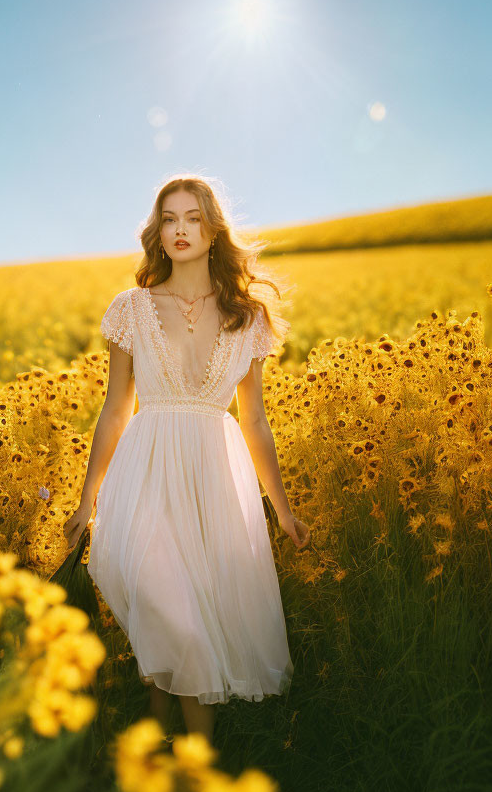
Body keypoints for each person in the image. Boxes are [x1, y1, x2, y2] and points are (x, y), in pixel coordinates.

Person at [63, 174, 309, 747]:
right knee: (173, 618)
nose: (180, 230)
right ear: (158, 230)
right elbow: (114, 411)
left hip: (214, 483)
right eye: (169, 219)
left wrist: (283, 509)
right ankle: (190, 779)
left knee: (186, 625)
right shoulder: (132, 309)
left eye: (193, 218)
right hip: (144, 477)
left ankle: (166, 762)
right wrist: (86, 500)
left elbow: (255, 422)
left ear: (214, 231)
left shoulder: (248, 318)